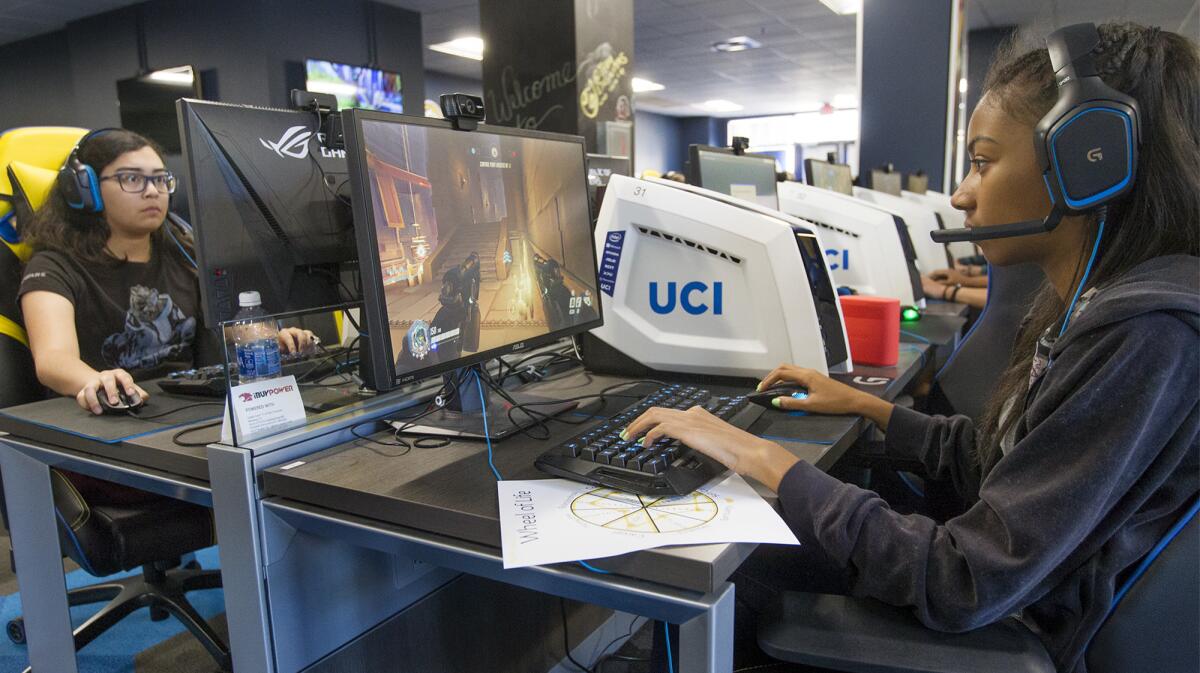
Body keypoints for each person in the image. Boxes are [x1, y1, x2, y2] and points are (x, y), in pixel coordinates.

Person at [624, 23, 1198, 672]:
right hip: (1009, 596)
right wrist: (871, 411)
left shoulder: (1148, 333)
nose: (960, 193)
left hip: (1006, 628)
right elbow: (1003, 463)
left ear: (1084, 157)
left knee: (720, 580)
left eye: (982, 162)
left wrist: (764, 458)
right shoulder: (1102, 304)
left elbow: (964, 579)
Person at [18, 129, 314, 416]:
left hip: (186, 406)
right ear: (86, 190)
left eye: (160, 180)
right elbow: (53, 360)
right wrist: (94, 381)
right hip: (111, 414)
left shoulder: (185, 252)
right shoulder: (54, 266)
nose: (152, 191)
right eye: (131, 178)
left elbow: (223, 324)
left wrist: (266, 339)